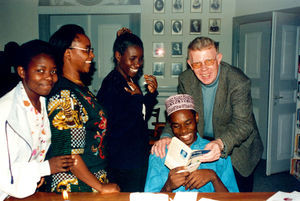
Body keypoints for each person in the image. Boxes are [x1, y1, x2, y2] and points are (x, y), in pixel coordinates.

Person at [151, 37, 263, 192]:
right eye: (197, 64)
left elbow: (243, 124)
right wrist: (165, 137)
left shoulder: (238, 81)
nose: (204, 69)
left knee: (237, 195)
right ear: (190, 64)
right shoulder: (186, 79)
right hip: (203, 143)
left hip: (238, 147)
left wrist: (220, 143)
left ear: (218, 58)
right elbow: (180, 114)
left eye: (209, 61)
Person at [44, 24, 120, 193]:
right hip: (76, 185)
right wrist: (100, 187)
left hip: (90, 180)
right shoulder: (66, 96)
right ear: (68, 53)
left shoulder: (79, 89)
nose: (92, 55)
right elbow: (70, 155)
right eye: (86, 50)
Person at [0, 39, 75, 200]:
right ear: (22, 72)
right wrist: (46, 168)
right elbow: (5, 174)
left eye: (53, 71)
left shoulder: (42, 101)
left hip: (26, 190)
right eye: (40, 71)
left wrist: (37, 174)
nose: (49, 77)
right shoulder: (6, 112)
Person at [96, 28, 158, 192]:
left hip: (134, 157)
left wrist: (150, 96)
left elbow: (141, 117)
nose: (137, 64)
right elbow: (118, 128)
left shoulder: (128, 79)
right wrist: (138, 99)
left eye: (140, 58)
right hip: (123, 163)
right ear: (118, 56)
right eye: (132, 58)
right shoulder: (113, 85)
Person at [145, 94, 239, 192]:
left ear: (196, 118)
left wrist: (214, 177)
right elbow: (150, 197)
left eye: (188, 123)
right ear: (170, 125)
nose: (183, 130)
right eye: (176, 126)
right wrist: (168, 186)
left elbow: (232, 197)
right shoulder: (160, 153)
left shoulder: (216, 151)